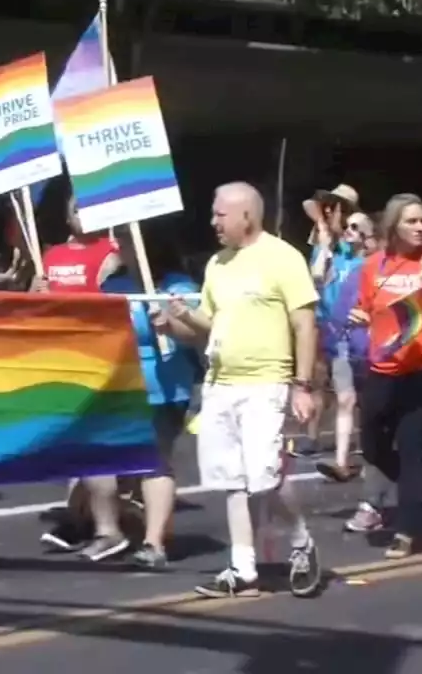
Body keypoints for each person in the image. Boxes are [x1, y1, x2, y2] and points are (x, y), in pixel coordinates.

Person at [153, 182, 322, 598]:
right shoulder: (217, 265)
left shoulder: (283, 258)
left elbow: (304, 325)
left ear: (247, 215)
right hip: (220, 384)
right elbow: (207, 328)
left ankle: (301, 543)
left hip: (267, 384)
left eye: (220, 215)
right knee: (232, 479)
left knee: (266, 476)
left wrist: (302, 386)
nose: (213, 222)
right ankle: (241, 567)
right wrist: (174, 322)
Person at [347, 193, 422, 558]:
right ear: (393, 226)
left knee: (411, 448)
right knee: (372, 446)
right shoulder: (375, 266)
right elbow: (366, 309)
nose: (420, 227)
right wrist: (359, 318)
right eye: (411, 221)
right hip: (381, 370)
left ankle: (409, 529)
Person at [33, 195, 130, 561]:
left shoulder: (112, 250)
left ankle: (110, 529)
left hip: (95, 356)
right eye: (75, 209)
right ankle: (82, 521)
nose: (82, 216)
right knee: (74, 449)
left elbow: (114, 295)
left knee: (93, 448)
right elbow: (32, 304)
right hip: (58, 360)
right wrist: (35, 292)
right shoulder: (51, 255)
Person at [100, 224, 200, 569]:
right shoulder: (114, 286)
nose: (117, 244)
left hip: (164, 387)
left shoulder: (178, 286)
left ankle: (153, 543)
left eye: (125, 238)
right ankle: (109, 529)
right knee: (108, 462)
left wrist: (171, 324)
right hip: (119, 385)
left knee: (154, 461)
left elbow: (197, 333)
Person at [315, 216, 379, 483]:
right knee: (345, 399)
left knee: (370, 405)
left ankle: (374, 458)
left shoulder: (372, 264)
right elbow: (317, 277)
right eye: (347, 226)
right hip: (339, 337)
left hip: (368, 339)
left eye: (355, 227)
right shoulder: (336, 259)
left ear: (367, 235)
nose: (348, 231)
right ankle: (341, 462)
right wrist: (323, 244)